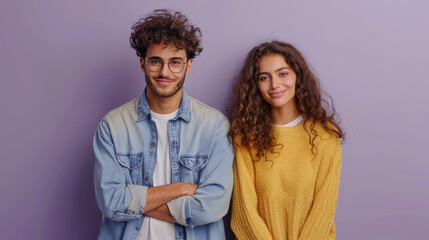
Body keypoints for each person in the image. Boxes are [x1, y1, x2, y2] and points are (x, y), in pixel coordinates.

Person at [93, 9, 234, 240]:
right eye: (156, 61)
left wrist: (135, 202)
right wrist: (179, 189)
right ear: (142, 63)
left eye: (175, 62)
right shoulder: (112, 126)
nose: (164, 72)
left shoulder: (214, 127)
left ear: (188, 65)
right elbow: (110, 202)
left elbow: (212, 207)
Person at [228, 41, 344, 240]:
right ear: (256, 85)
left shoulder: (325, 136)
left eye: (283, 74)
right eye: (264, 77)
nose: (275, 84)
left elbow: (324, 211)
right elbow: (244, 212)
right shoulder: (244, 137)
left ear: (298, 76)